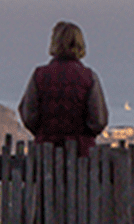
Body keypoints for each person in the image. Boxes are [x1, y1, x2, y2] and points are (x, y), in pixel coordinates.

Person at [18, 20, 109, 155]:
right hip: (81, 152)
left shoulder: (39, 75)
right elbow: (98, 120)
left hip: (45, 152)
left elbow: (28, 115)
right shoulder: (89, 77)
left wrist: (44, 132)